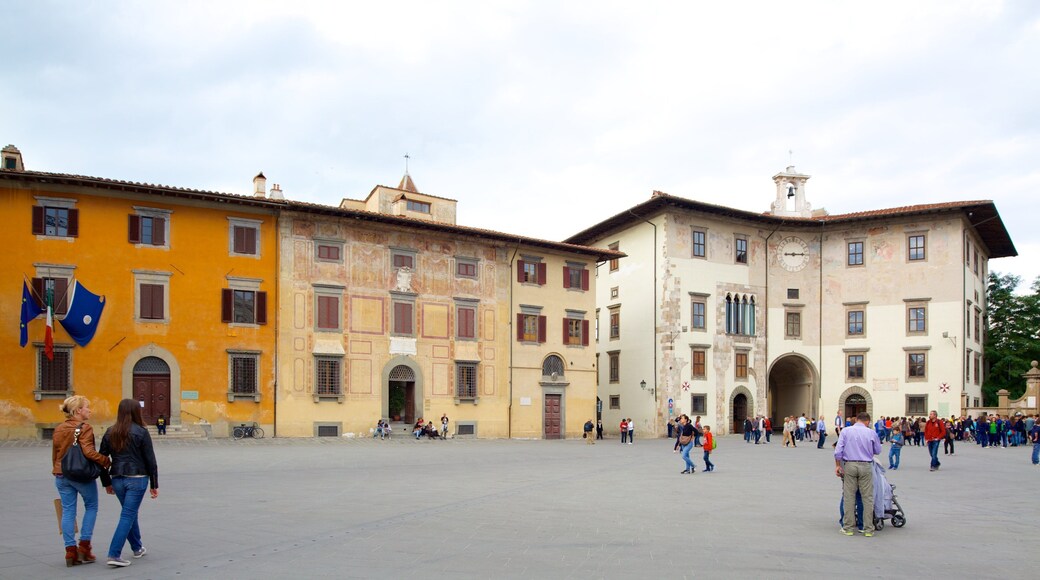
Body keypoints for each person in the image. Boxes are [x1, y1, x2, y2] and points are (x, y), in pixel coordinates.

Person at [52, 395, 112, 567]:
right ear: (78, 411)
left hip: (61, 475)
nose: (89, 410)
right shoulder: (85, 428)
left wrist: (56, 470)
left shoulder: (59, 428)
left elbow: (56, 453)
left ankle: (70, 551)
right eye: (87, 407)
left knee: (68, 510)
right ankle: (84, 547)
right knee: (91, 506)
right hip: (80, 475)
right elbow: (88, 452)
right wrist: (105, 461)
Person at [99, 399, 159, 568]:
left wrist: (107, 482)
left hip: (117, 478)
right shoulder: (141, 432)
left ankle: (137, 547)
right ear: (135, 412)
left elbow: (102, 460)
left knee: (130, 513)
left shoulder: (110, 432)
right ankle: (114, 554)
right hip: (137, 478)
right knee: (127, 515)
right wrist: (154, 484)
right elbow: (150, 460)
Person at [834, 411, 881, 537]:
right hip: (866, 465)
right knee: (867, 497)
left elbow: (838, 450)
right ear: (867, 421)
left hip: (850, 464)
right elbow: (878, 450)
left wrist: (838, 465)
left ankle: (848, 527)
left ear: (857, 420)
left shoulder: (846, 431)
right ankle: (867, 529)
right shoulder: (871, 432)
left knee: (849, 496)